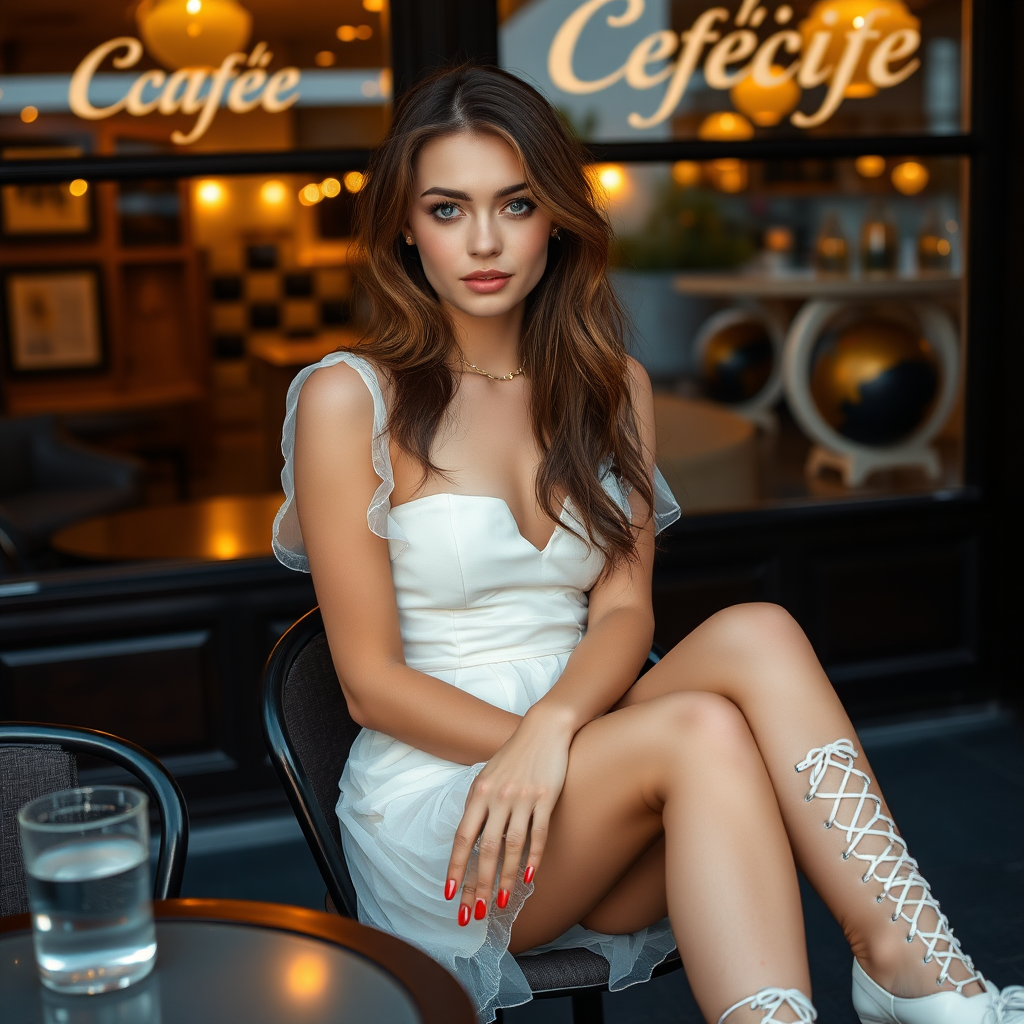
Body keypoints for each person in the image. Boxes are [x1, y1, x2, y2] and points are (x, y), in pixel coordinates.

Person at [272, 64, 1023, 1024]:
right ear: (405, 230)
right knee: (702, 725)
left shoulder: (610, 384)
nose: (487, 241)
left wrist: (558, 732)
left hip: (591, 750)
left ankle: (918, 969)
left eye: (516, 203)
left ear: (558, 218)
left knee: (757, 628)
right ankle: (917, 989)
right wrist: (535, 749)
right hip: (458, 811)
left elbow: (625, 610)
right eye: (449, 209)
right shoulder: (352, 400)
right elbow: (370, 684)